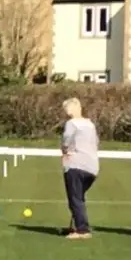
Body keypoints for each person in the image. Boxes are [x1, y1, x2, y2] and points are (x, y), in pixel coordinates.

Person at [58, 97, 99, 239]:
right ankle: (76, 225)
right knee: (79, 197)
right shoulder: (90, 124)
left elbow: (66, 140)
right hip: (92, 167)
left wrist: (63, 151)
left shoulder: (72, 124)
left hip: (76, 164)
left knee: (75, 198)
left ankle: (82, 230)